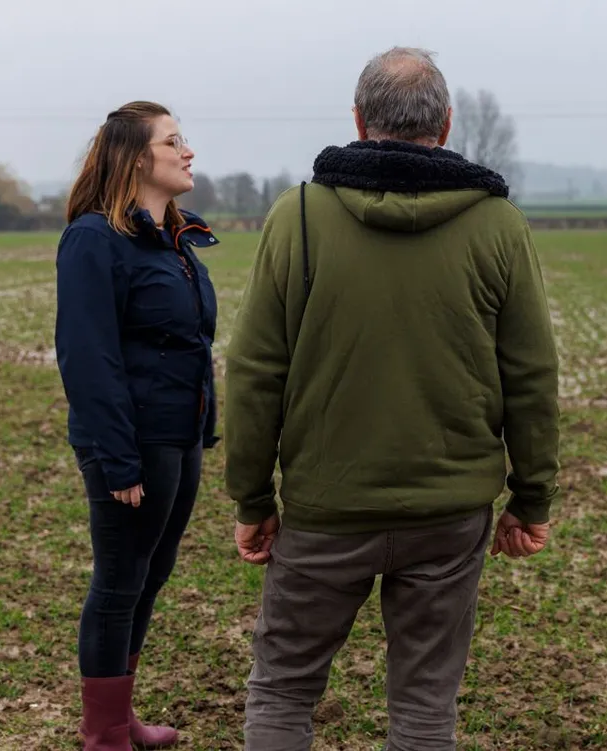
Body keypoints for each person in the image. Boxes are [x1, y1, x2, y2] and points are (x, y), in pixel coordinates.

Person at [224, 46, 561, 751]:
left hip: (325, 508)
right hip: (448, 513)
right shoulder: (499, 224)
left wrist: (253, 500)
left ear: (357, 120)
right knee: (424, 703)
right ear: (444, 124)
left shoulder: (300, 217)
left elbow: (256, 369)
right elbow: (531, 375)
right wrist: (531, 499)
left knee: (283, 689)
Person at [55, 101, 220, 750]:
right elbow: (87, 357)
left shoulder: (174, 240)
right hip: (132, 444)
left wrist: (199, 432)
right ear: (134, 157)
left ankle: (120, 718)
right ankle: (103, 734)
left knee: (150, 574)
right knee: (119, 580)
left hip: (180, 440)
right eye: (174, 141)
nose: (188, 152)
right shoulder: (95, 239)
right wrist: (117, 459)